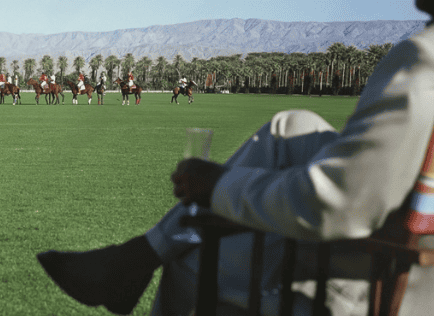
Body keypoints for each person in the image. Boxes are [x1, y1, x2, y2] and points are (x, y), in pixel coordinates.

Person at [37, 1, 434, 315]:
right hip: (412, 221)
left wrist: (218, 186)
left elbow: (344, 203)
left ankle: (140, 257)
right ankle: (141, 254)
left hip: (398, 269)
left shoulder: (423, 61)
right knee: (290, 126)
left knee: (192, 258)